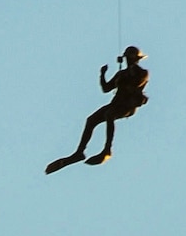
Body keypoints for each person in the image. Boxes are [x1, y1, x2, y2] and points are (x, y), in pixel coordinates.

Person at [46, 46, 149, 174]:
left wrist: (129, 74)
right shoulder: (121, 74)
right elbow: (106, 88)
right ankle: (79, 152)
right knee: (91, 120)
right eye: (127, 57)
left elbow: (137, 84)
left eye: (131, 57)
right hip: (115, 103)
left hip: (127, 105)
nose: (128, 60)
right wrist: (102, 74)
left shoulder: (142, 72)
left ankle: (107, 149)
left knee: (109, 115)